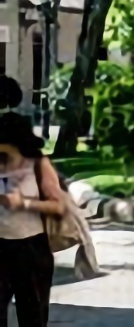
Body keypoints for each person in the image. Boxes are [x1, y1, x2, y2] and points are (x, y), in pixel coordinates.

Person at [0, 112, 65, 327]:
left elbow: (58, 205)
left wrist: (23, 203)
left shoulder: (37, 164)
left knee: (32, 316)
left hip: (31, 248)